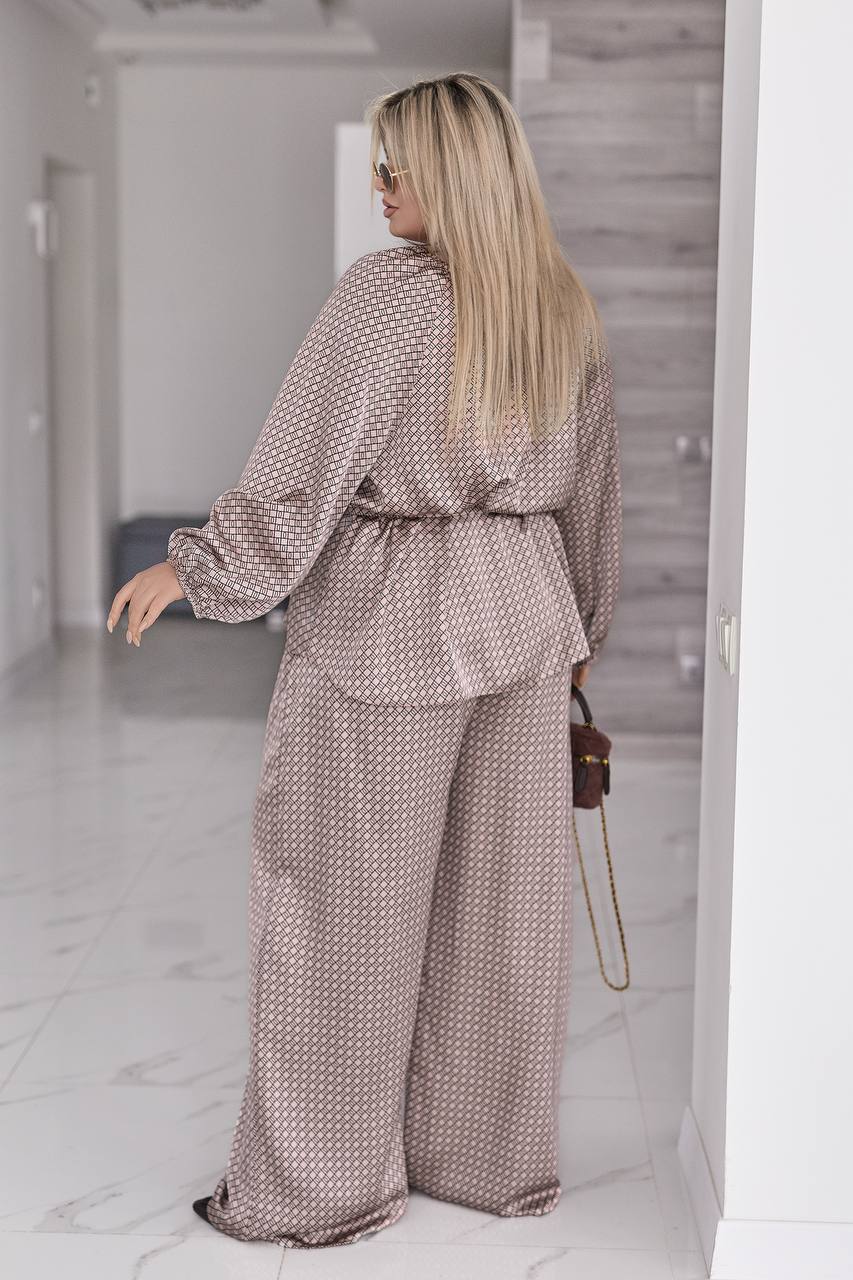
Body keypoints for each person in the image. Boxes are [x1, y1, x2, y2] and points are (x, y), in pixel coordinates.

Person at [106, 72, 622, 1250]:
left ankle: (320, 1185)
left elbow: (306, 469)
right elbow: (591, 500)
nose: (380, 184)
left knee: (341, 908)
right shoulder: (563, 307)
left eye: (399, 165)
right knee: (501, 916)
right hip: (527, 623)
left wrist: (200, 565)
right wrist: (578, 634)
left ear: (453, 175)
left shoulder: (387, 300)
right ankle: (486, 1163)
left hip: (394, 623)